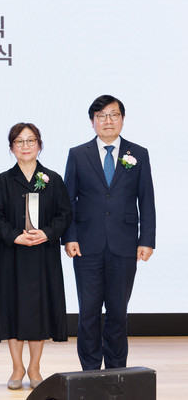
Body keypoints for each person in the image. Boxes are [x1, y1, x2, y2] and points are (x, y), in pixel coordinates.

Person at [62, 95, 155, 370]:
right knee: (88, 312)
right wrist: (69, 237)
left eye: (114, 115)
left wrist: (147, 240)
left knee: (118, 311)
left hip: (124, 244)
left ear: (122, 119)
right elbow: (68, 201)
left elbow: (146, 199)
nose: (108, 121)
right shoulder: (78, 154)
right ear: (92, 122)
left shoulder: (139, 153)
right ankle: (90, 371)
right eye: (101, 116)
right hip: (86, 245)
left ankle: (116, 371)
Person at [0, 123, 72, 390]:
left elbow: (65, 214)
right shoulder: (2, 180)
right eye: (19, 141)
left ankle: (35, 367)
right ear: (12, 147)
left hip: (42, 254)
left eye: (30, 140)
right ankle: (17, 367)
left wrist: (46, 233)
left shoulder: (53, 179)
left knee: (38, 310)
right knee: (12, 308)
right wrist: (15, 236)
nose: (25, 146)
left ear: (39, 144)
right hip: (11, 253)